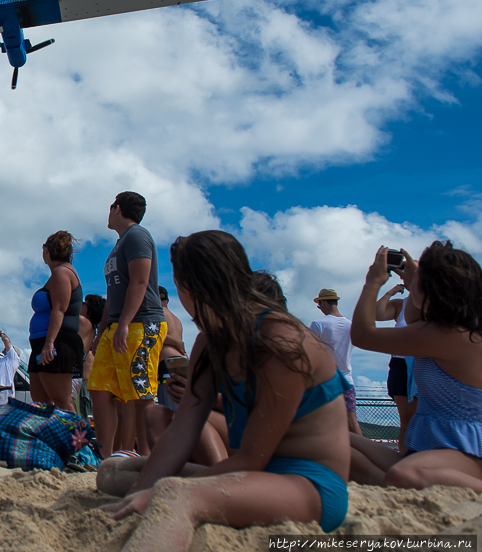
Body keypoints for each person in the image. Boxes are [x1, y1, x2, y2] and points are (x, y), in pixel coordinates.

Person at [97, 230, 351, 545]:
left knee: (175, 495)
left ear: (189, 287)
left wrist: (156, 490)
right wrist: (142, 489)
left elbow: (251, 459)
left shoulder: (280, 343)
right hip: (252, 475)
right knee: (113, 473)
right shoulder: (210, 341)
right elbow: (183, 428)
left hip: (307, 484)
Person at [349, 243, 482, 492]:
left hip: (469, 451)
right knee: (336, 442)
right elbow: (412, 317)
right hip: (440, 448)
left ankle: (400, 482)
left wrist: (373, 282)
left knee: (406, 474)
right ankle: (393, 486)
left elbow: (362, 335)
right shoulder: (444, 328)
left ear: (430, 291)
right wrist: (416, 280)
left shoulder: (449, 335)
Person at [89, 192, 167, 456]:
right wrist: (102, 331)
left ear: (117, 208)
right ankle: (105, 456)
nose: (108, 213)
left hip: (141, 323)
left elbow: (140, 281)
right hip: (115, 326)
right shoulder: (120, 243)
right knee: (99, 389)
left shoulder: (137, 236)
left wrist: (124, 323)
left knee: (140, 394)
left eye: (110, 207)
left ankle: (145, 456)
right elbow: (113, 292)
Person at [28, 230, 84, 413]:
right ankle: (50, 440)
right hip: (41, 342)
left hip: (56, 342)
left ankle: (77, 441)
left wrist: (49, 343)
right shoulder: (56, 274)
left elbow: (59, 309)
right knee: (41, 403)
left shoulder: (62, 273)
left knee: (62, 401)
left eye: (44, 246)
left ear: (48, 250)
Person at [311, 288, 362, 436]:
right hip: (347, 380)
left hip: (326, 380)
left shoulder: (318, 324)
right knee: (352, 421)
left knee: (323, 421)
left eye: (319, 304)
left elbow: (311, 352)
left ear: (324, 302)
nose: (319, 307)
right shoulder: (351, 325)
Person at [376, 283, 417, 453]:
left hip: (426, 362)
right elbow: (376, 314)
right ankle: (405, 460)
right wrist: (390, 293)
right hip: (401, 363)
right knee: (407, 419)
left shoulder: (437, 304)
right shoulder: (402, 304)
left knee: (428, 417)